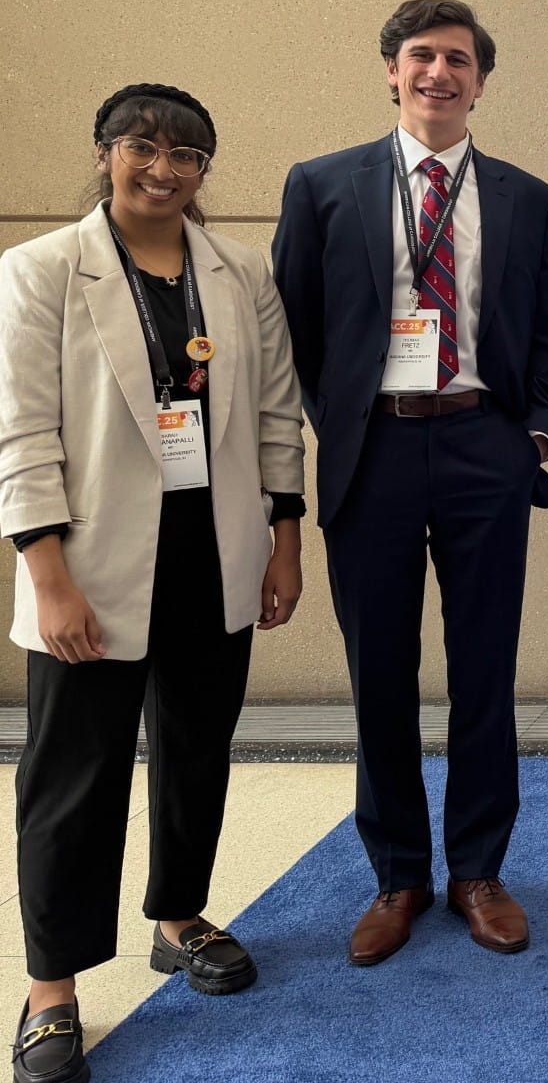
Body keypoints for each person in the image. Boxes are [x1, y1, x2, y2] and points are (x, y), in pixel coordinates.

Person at [0, 85, 305, 1082]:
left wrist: (284, 537)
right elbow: (23, 432)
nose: (164, 167)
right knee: (71, 778)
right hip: (87, 567)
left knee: (195, 751)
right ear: (104, 153)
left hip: (211, 555)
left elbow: (273, 412)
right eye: (144, 146)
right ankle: (51, 986)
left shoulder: (238, 271)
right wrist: (46, 575)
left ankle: (178, 916)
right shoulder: (42, 271)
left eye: (187, 153)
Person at [271, 0, 548, 967]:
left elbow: (547, 329)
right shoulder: (323, 186)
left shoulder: (528, 199)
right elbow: (298, 331)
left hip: (484, 445)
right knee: (380, 675)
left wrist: (533, 430)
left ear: (481, 81)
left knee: (486, 669)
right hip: (377, 453)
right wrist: (344, 426)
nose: (438, 71)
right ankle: (399, 873)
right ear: (391, 73)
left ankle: (478, 870)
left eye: (457, 59)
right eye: (420, 56)